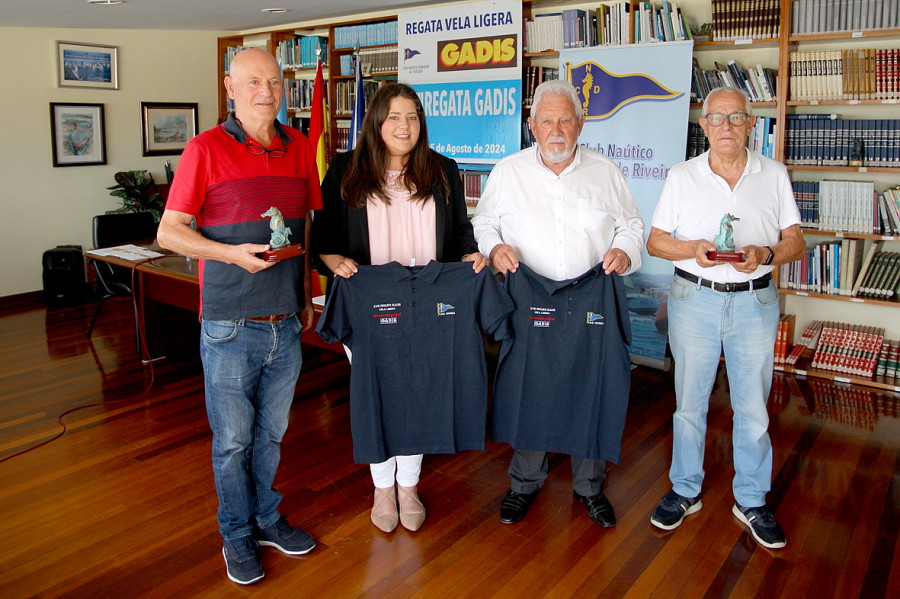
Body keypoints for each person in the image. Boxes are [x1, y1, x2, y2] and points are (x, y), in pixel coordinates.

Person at [156, 47, 321, 585]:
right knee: (232, 442)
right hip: (228, 324)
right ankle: (236, 533)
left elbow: (306, 229)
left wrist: (306, 299)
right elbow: (169, 232)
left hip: (286, 322)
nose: (266, 92)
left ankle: (267, 519)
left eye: (274, 82)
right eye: (253, 82)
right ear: (230, 87)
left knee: (271, 437)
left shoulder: (299, 147)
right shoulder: (204, 149)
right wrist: (230, 253)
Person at [311, 83, 489, 534]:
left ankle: (407, 486)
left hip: (429, 305)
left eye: (412, 116)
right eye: (394, 116)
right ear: (376, 121)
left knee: (420, 391)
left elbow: (461, 235)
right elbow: (324, 239)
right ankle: (381, 488)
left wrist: (471, 256)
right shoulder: (345, 169)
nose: (404, 125)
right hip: (369, 304)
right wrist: (333, 261)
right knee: (377, 395)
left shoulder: (444, 170)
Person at [471, 79, 645, 528]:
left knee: (592, 386)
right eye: (546, 120)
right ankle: (524, 482)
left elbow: (631, 224)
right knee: (530, 385)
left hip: (590, 293)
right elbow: (484, 221)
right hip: (529, 294)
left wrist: (624, 249)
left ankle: (590, 487)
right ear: (531, 125)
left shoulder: (605, 171)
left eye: (565, 119)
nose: (556, 129)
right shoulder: (508, 171)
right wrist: (493, 248)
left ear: (581, 123)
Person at [646, 86, 804, 549]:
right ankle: (684, 490)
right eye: (717, 118)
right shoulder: (682, 176)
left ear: (752, 123)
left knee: (753, 407)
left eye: (736, 118)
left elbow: (795, 241)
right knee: (689, 404)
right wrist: (693, 249)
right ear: (703, 125)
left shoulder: (773, 174)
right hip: (694, 298)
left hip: (755, 301)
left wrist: (767, 253)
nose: (727, 127)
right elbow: (656, 242)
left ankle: (751, 499)